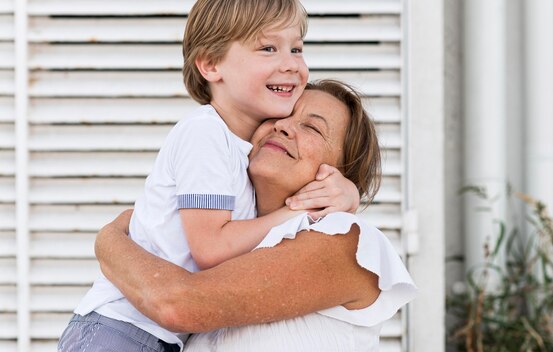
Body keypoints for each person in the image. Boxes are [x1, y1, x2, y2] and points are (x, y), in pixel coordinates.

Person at [57, 1, 359, 351]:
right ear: (211, 64)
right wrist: (297, 211)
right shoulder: (205, 135)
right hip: (121, 328)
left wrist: (345, 191)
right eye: (268, 48)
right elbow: (212, 249)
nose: (291, 63)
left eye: (296, 48)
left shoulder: (247, 151)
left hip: (157, 335)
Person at [87, 80, 418, 352]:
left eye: (312, 128)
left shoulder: (345, 239)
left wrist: (109, 241)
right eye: (280, 115)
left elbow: (176, 303)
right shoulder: (229, 239)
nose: (284, 127)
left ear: (341, 172)